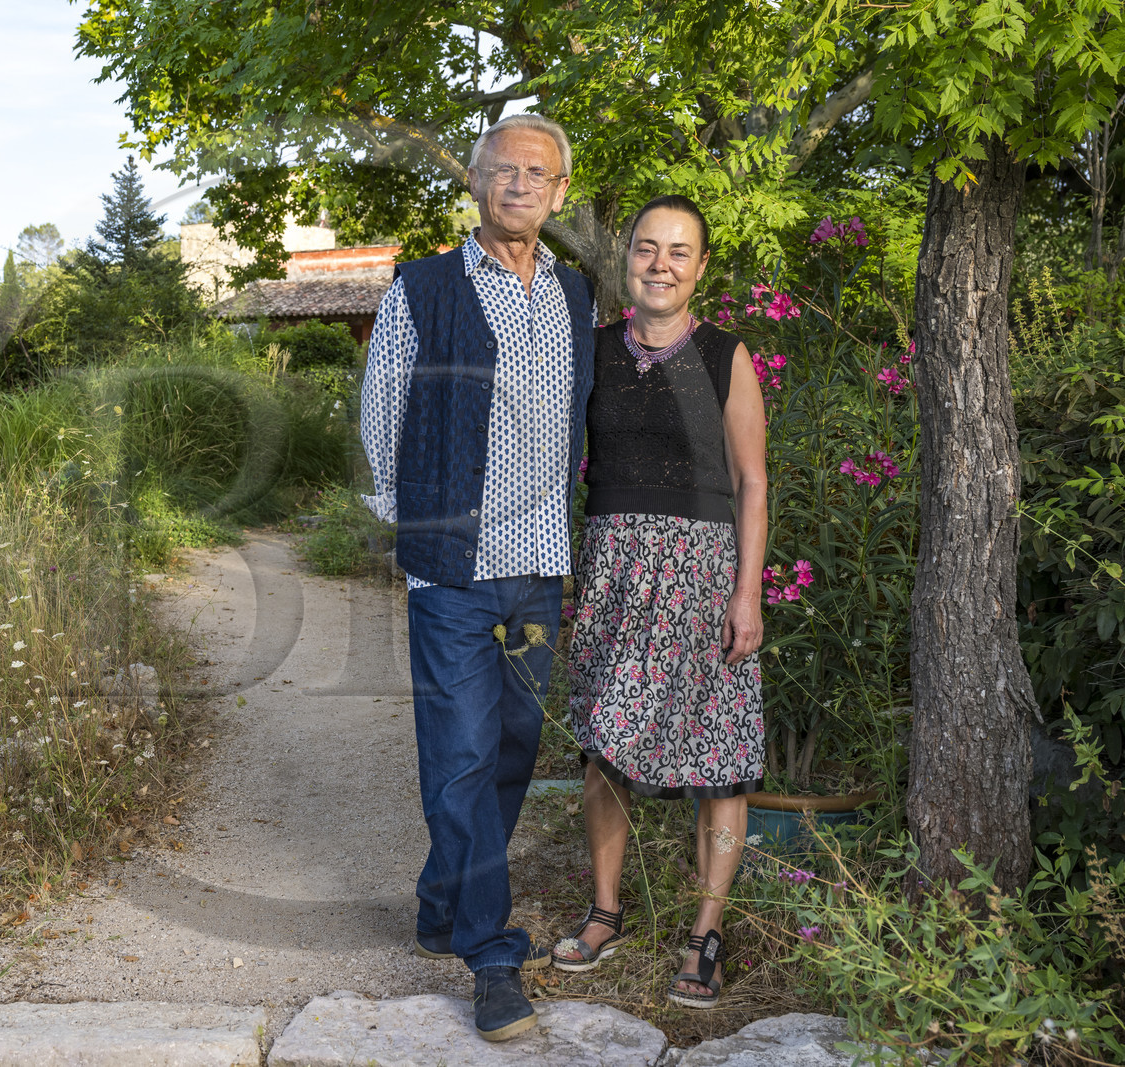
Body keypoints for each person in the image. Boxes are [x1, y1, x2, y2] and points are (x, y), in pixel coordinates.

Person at [359, 114, 598, 1042]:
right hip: (455, 568)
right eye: (504, 169)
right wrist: (415, 527)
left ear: (559, 193)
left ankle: (438, 899)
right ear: (475, 180)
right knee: (459, 752)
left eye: (538, 173)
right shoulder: (422, 287)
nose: (520, 184)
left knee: (507, 753)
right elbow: (383, 414)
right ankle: (492, 957)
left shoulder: (575, 293)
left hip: (539, 565)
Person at [550, 194, 767, 1011]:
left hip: (705, 575)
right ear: (626, 259)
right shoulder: (593, 352)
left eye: (679, 251)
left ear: (701, 267)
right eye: (647, 248)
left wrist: (746, 591)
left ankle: (707, 934)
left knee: (719, 750)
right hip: (613, 572)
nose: (661, 263)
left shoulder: (723, 356)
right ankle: (606, 910)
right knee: (604, 740)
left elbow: (753, 481)